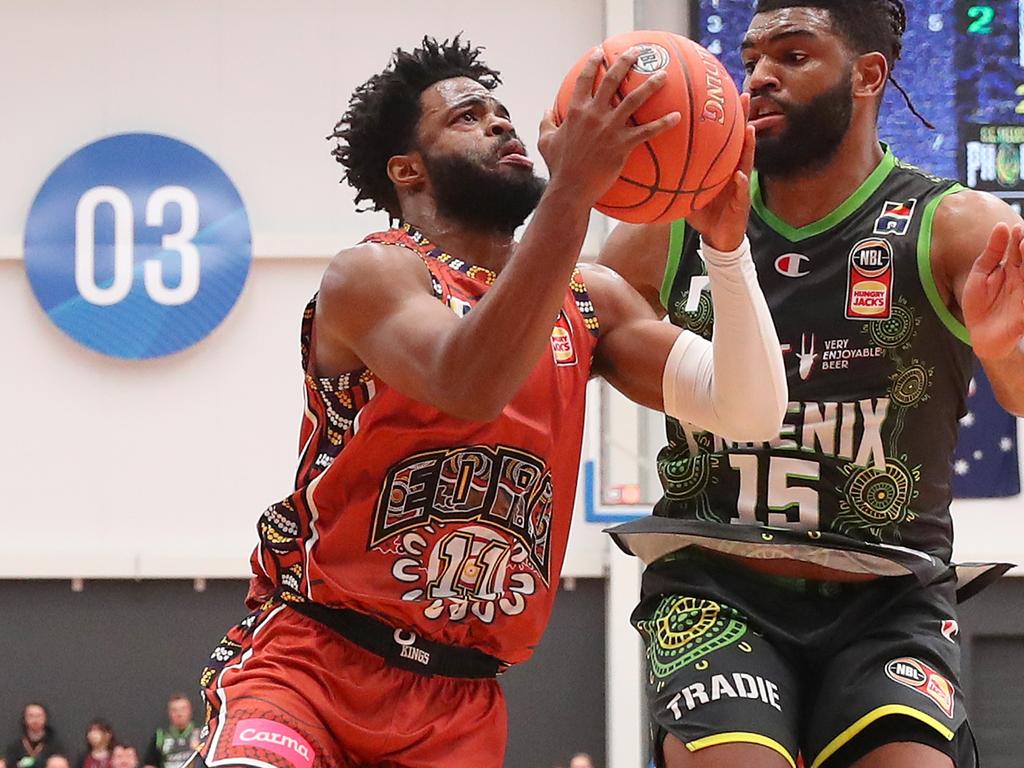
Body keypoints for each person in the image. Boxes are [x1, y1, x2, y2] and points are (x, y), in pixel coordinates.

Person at [191, 34, 786, 768]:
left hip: (460, 703)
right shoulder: (374, 275)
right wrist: (573, 191)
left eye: (504, 112)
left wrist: (727, 252)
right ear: (408, 169)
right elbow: (469, 382)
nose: (503, 124)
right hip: (314, 664)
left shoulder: (588, 299)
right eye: (469, 117)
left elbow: (750, 412)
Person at [599, 2, 1024, 768]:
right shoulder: (670, 226)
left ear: (868, 75)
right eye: (751, 57)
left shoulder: (955, 225)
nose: (758, 76)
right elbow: (571, 342)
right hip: (717, 585)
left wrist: (1003, 352)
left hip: (890, 596)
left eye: (792, 56)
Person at [142, 696, 198, 768]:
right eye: (174, 710)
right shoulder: (160, 736)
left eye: (183, 709)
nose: (179, 714)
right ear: (169, 712)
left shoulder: (202, 733)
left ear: (190, 710)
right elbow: (150, 764)